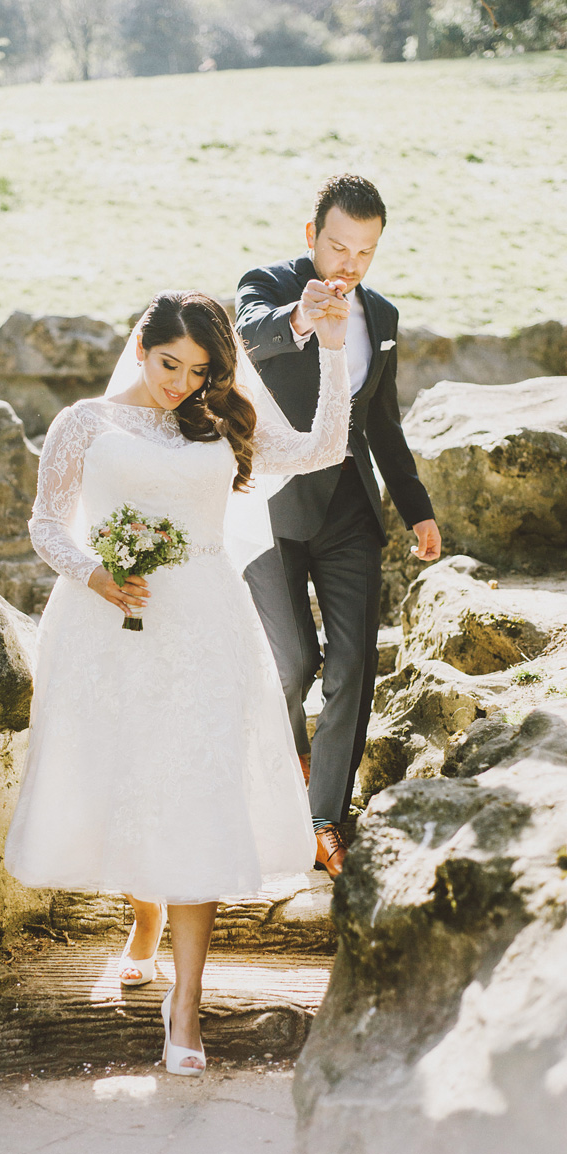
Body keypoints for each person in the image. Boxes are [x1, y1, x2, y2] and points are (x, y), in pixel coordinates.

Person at [3, 289, 350, 1075]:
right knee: (124, 782)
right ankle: (143, 919)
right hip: (109, 627)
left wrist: (330, 344)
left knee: (197, 795)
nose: (181, 384)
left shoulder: (221, 424)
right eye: (169, 364)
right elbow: (46, 524)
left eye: (198, 371)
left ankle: (185, 1008)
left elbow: (327, 445)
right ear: (139, 343)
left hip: (206, 629)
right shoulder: (83, 424)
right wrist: (94, 573)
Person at [236, 174, 441, 878]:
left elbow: (381, 422)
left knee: (354, 663)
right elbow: (249, 336)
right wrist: (302, 315)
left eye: (365, 251)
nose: (348, 264)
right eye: (337, 246)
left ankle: (325, 817)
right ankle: (287, 760)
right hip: (269, 506)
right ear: (311, 236)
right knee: (291, 663)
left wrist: (417, 508)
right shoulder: (266, 284)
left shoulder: (381, 317)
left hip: (352, 509)